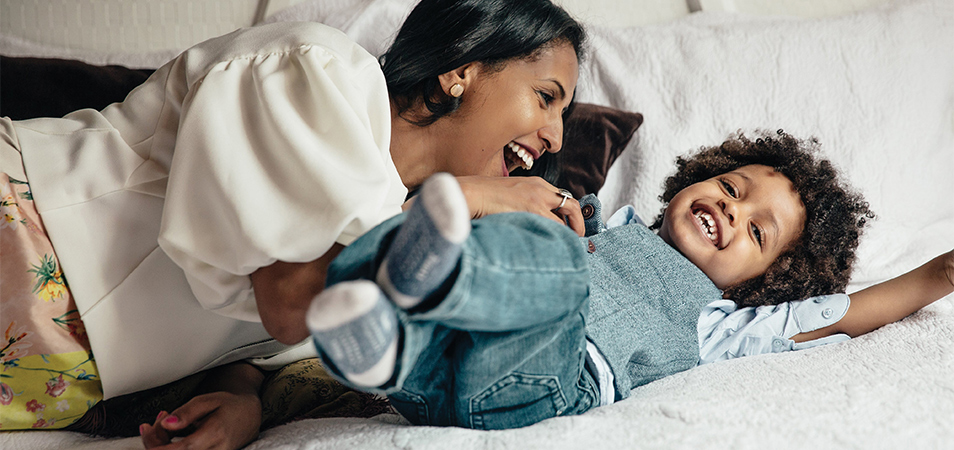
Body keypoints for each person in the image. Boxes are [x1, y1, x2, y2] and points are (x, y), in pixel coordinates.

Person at [0, 0, 586, 445]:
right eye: (545, 96)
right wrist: (465, 198)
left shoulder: (412, 238)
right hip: (20, 234)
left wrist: (239, 398)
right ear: (463, 69)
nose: (556, 136)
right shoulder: (314, 69)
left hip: (39, 389)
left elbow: (256, 335)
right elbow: (286, 294)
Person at [306, 131, 954, 429]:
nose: (732, 209)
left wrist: (939, 275)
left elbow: (850, 311)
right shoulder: (596, 220)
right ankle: (379, 345)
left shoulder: (723, 324)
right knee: (526, 239)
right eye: (733, 187)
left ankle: (427, 277)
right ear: (700, 174)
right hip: (445, 378)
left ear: (767, 286)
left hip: (547, 380)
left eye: (758, 232)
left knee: (556, 268)